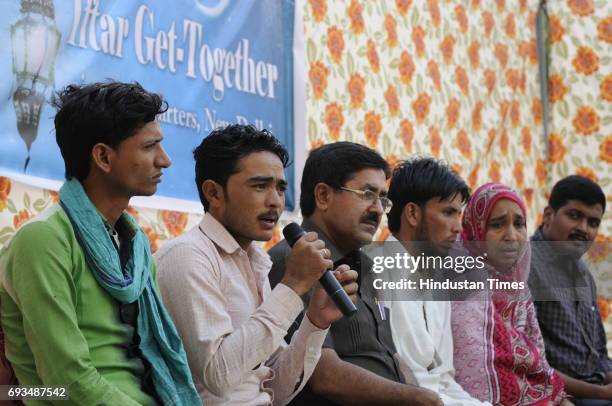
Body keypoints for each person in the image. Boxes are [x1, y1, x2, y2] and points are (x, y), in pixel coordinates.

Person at [0, 81, 200, 405]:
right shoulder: (43, 240)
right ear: (104, 157)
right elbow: (66, 381)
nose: (165, 160)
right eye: (150, 147)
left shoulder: (135, 245)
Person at [154, 125, 359, 405]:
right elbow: (219, 377)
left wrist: (315, 322)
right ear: (214, 193)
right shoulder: (187, 256)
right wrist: (292, 285)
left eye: (280, 188)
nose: (275, 201)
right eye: (260, 186)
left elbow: (276, 388)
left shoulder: (254, 260)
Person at [268, 142, 442, 405]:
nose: (378, 209)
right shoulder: (294, 262)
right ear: (324, 196)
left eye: (383, 198)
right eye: (366, 194)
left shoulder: (367, 265)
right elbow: (323, 375)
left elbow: (386, 359)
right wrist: (416, 398)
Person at [451, 183, 570, 405]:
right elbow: (477, 372)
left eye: (519, 224)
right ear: (476, 231)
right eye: (497, 225)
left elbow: (539, 363)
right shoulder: (462, 280)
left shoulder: (518, 287)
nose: (512, 236)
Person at [384, 158, 488, 405]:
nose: (457, 228)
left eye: (459, 214)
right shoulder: (377, 275)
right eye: (448, 212)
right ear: (412, 213)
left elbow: (443, 380)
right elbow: (411, 383)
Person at [528, 175, 612, 406]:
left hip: (594, 388)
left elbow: (599, 357)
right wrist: (603, 393)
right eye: (574, 216)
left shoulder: (584, 273)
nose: (583, 229)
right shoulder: (523, 266)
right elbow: (530, 366)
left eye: (593, 223)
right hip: (555, 394)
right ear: (548, 215)